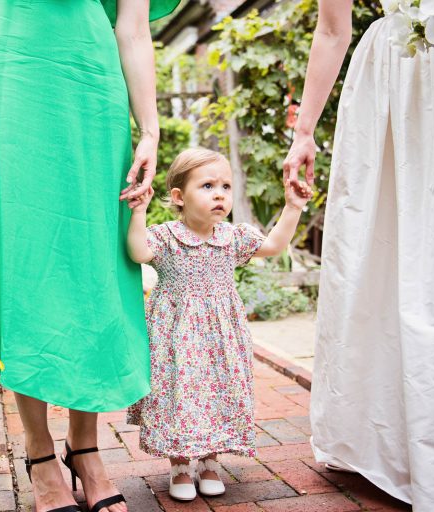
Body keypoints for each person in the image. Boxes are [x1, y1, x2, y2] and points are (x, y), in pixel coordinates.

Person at [0, 1, 181, 511]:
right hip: (11, 60)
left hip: (88, 73)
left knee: (94, 262)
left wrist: (149, 128)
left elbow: (132, 23)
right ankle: (40, 457)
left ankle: (85, 449)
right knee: (22, 254)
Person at [282, 1, 434, 509]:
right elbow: (331, 28)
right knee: (413, 255)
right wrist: (304, 132)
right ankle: (403, 443)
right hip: (399, 80)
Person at [126, 148, 312, 501]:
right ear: (179, 197)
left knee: (219, 390)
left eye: (226, 186)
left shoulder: (232, 237)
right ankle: (180, 464)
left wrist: (293, 206)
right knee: (180, 393)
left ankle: (210, 462)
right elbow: (138, 252)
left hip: (222, 335)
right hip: (177, 333)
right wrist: (139, 212)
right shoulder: (167, 236)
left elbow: (273, 246)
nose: (219, 194)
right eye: (207, 185)